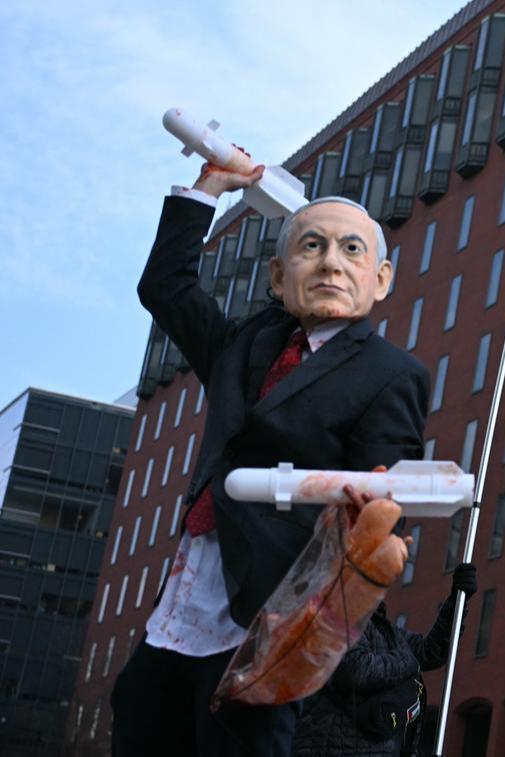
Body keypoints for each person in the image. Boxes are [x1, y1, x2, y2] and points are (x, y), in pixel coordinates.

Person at [111, 159, 431, 757]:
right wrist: (207, 188)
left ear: (381, 279)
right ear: (280, 277)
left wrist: (369, 518)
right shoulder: (245, 344)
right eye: (313, 246)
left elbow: (389, 495)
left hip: (272, 610)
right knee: (139, 715)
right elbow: (166, 288)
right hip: (185, 595)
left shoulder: (391, 375)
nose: (332, 263)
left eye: (352, 250)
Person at [291, 561, 478, 757]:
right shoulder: (328, 617)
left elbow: (430, 652)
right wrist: (408, 660)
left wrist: (457, 602)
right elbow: (357, 669)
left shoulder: (381, 628)